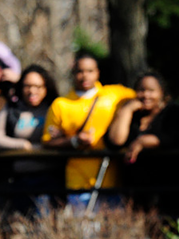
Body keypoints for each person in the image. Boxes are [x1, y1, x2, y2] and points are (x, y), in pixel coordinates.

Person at [42, 51, 135, 211]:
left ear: (97, 72)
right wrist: (74, 141)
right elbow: (47, 141)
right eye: (80, 71)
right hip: (78, 181)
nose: (85, 76)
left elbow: (144, 100)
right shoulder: (61, 104)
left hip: (113, 179)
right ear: (73, 73)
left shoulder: (116, 94)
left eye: (90, 71)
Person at [105, 71, 179, 213]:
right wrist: (126, 110)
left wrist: (144, 141)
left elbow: (177, 137)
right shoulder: (133, 116)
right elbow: (116, 141)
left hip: (165, 188)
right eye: (141, 90)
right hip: (133, 188)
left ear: (162, 92)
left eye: (151, 90)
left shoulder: (173, 112)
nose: (146, 95)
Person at [0, 64, 63, 213]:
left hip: (49, 179)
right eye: (27, 86)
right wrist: (22, 145)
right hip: (19, 180)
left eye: (38, 86)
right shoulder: (12, 109)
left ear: (46, 88)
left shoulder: (56, 107)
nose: (32, 91)